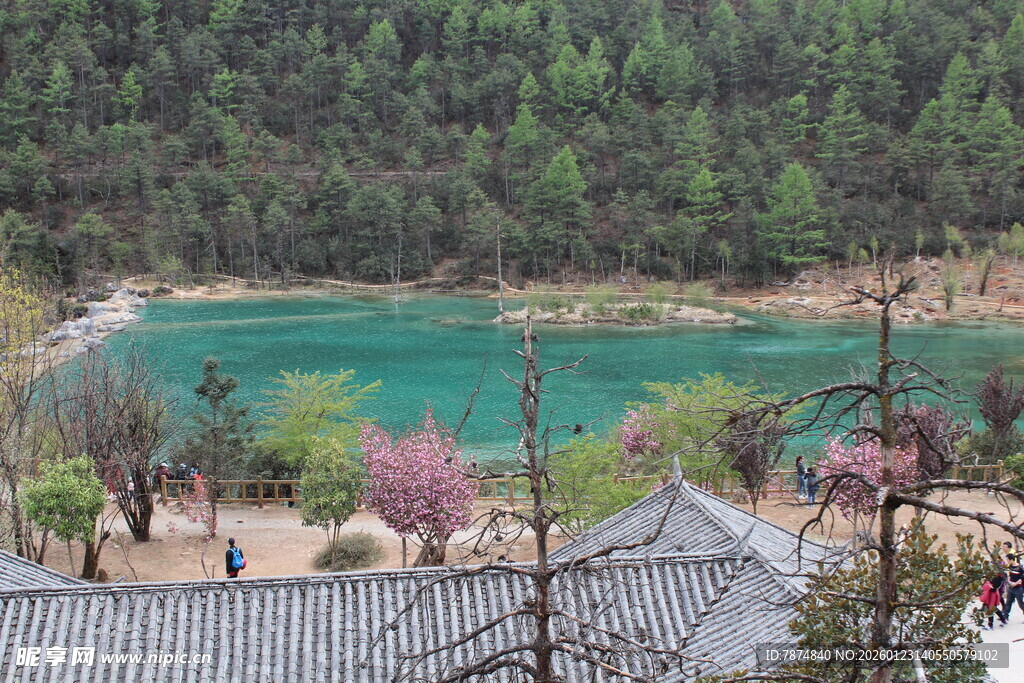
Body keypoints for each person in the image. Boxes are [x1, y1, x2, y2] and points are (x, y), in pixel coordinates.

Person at [1001, 554, 1024, 622]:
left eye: (1007, 559)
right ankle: (1005, 618)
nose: (1007, 561)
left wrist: (1015, 583)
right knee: (1008, 603)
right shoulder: (1010, 567)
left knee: (1021, 604)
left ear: (1011, 559)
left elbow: (1022, 578)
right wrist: (1008, 581)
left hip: (1018, 588)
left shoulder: (1020, 568)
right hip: (1010, 588)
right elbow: (1009, 575)